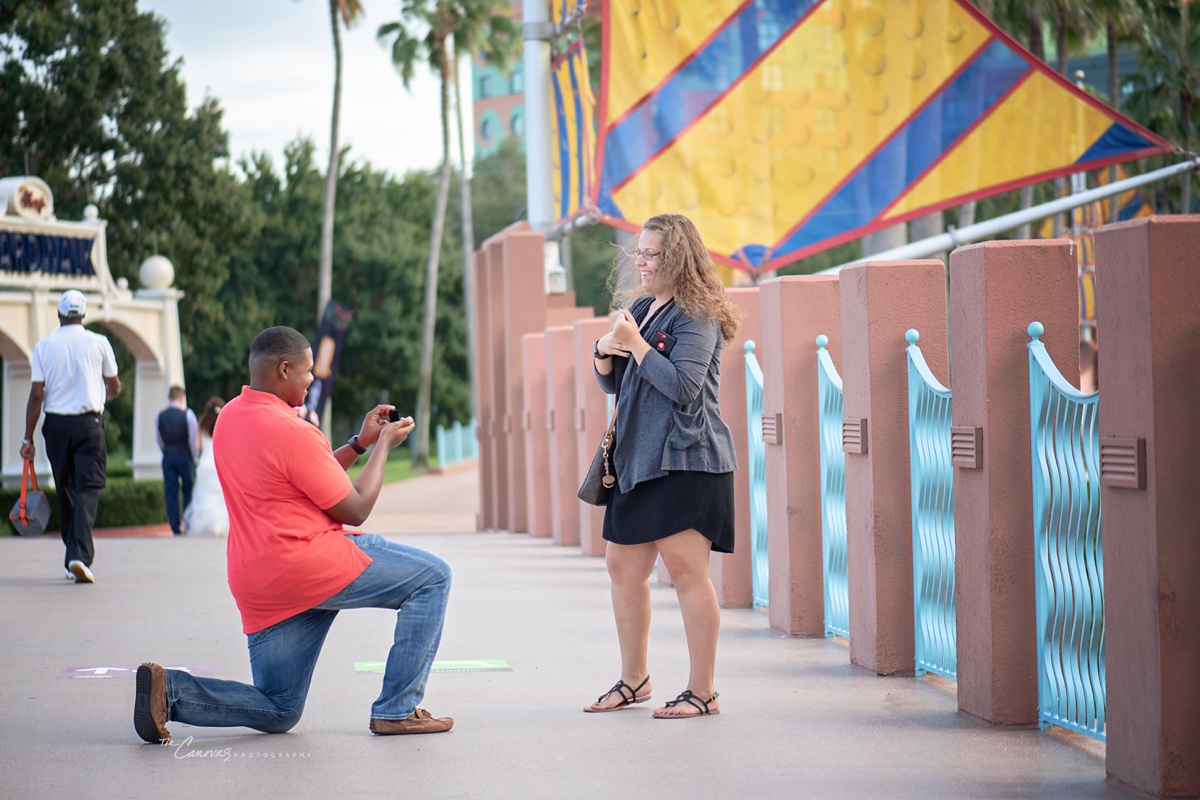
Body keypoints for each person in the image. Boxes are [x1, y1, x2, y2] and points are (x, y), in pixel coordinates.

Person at [134, 326, 453, 742]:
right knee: (433, 577)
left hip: (261, 584)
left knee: (279, 707)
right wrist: (383, 448)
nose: (311, 381)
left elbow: (307, 478)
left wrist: (358, 443)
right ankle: (397, 709)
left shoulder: (230, 416)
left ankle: (171, 692)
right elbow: (355, 508)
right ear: (284, 369)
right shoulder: (294, 430)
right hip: (313, 566)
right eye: (306, 373)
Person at [585, 213, 740, 719]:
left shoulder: (697, 314)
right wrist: (604, 353)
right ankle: (636, 681)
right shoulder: (643, 308)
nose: (641, 261)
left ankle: (704, 690)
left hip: (687, 459)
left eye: (651, 253)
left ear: (676, 257)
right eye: (639, 252)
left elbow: (683, 387)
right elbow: (619, 384)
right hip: (637, 459)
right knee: (622, 566)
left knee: (686, 571)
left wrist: (633, 344)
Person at [21, 289, 121, 584]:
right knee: (88, 487)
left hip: (56, 426)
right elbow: (114, 386)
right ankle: (79, 555)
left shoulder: (43, 346)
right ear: (84, 314)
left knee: (65, 488)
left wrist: (27, 440)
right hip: (89, 423)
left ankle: (72, 558)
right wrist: (102, 396)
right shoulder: (99, 342)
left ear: (60, 314)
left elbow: (36, 395)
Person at [181, 396, 228, 537]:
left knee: (204, 496)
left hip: (205, 464)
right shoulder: (224, 424)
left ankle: (203, 527)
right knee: (219, 496)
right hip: (218, 464)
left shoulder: (201, 424)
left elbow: (196, 445)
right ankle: (219, 526)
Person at [155, 385, 197, 536]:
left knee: (171, 492)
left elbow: (158, 440)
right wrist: (194, 456)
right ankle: (186, 523)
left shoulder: (159, 416)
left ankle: (174, 527)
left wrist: (166, 452)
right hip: (184, 456)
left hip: (168, 456)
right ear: (181, 397)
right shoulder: (188, 414)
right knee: (188, 490)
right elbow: (193, 439)